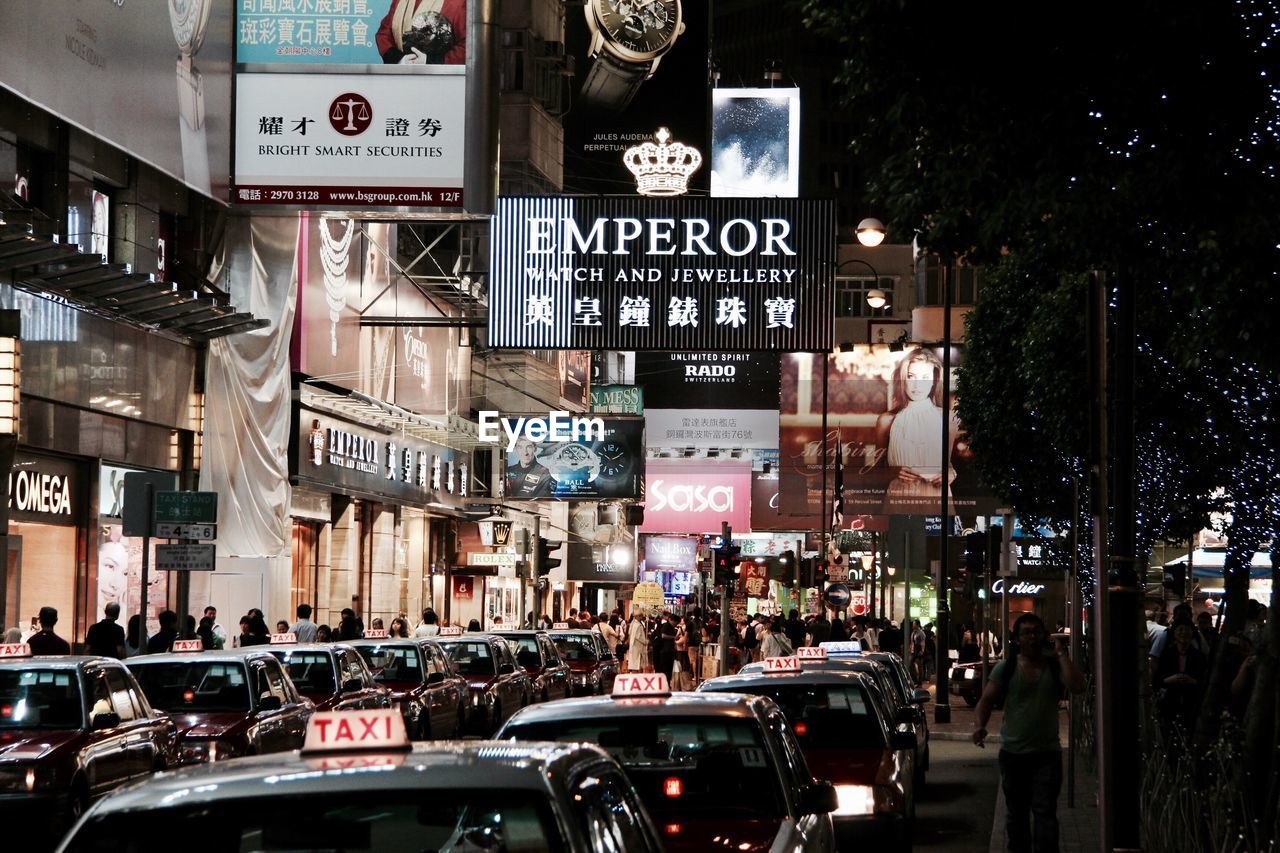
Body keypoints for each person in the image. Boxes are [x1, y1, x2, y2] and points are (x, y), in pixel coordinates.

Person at [973, 613, 1086, 853]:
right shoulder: (1007, 667)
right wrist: (979, 726)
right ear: (1017, 638)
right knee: (1017, 816)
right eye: (1026, 632)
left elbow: (1078, 686)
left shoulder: (1054, 666)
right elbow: (985, 700)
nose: (1032, 637)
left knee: (1045, 813)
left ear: (1044, 635)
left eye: (1036, 632)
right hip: (1013, 754)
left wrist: (1061, 653)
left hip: (1047, 754)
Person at [876, 347, 963, 514]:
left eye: (925, 377)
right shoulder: (886, 420)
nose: (917, 385)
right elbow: (875, 472)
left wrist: (951, 473)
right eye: (911, 377)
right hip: (899, 497)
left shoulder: (949, 418)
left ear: (934, 380)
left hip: (936, 495)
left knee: (938, 540)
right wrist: (894, 471)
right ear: (902, 379)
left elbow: (948, 464)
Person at [1152, 617, 1208, 743]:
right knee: (1170, 738)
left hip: (1192, 703)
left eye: (1187, 629)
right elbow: (1156, 679)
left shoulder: (1199, 656)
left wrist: (1192, 681)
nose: (1184, 633)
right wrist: (1170, 679)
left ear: (1192, 632)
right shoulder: (1166, 654)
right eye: (1180, 629)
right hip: (1169, 703)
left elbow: (1205, 680)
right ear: (1174, 633)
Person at [375, 0, 467, 65]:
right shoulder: (400, 2)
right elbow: (384, 34)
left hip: (442, 81)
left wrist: (429, 61)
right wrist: (399, 59)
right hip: (402, 75)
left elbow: (468, 47)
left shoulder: (456, 3)